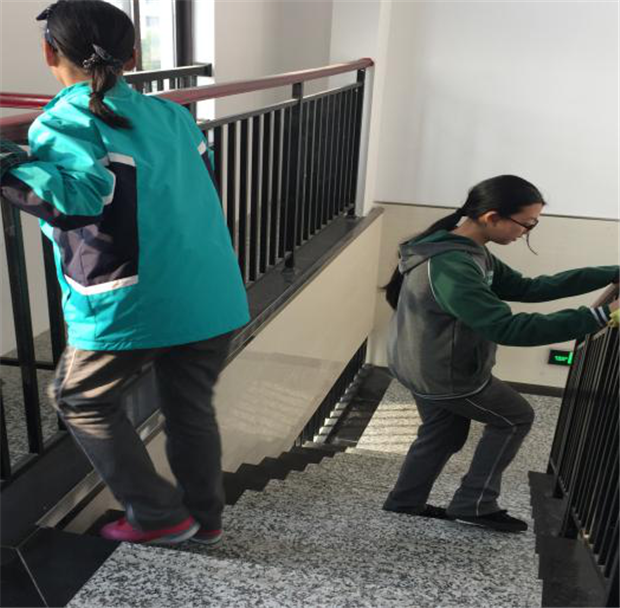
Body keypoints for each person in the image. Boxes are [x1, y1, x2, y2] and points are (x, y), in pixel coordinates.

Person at [0, 0, 250, 545]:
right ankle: (204, 520)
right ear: (133, 57)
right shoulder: (174, 116)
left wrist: (10, 164)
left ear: (48, 53)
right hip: (211, 293)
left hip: (130, 300)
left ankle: (159, 515)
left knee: (81, 399)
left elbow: (76, 201)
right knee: (190, 410)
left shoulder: (66, 120)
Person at [381, 175, 618, 533]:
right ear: (492, 217)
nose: (527, 232)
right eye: (526, 224)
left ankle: (404, 502)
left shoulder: (465, 250)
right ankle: (474, 504)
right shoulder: (453, 265)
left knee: (442, 434)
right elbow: (506, 328)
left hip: (418, 363)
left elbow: (529, 288)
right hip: (445, 373)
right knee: (515, 417)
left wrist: (612, 273)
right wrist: (598, 316)